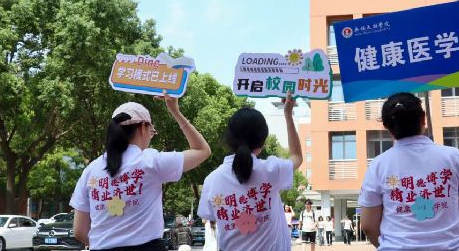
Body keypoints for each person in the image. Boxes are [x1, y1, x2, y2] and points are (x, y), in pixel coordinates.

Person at [71, 94, 211, 251]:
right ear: (143, 127)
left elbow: (79, 231)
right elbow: (202, 150)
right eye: (152, 131)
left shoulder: (90, 170)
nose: (151, 136)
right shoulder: (151, 161)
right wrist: (175, 111)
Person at [359, 92, 459, 250]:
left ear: (387, 128)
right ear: (423, 119)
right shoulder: (452, 156)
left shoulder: (378, 165)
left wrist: (386, 245)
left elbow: (368, 225)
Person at [197, 92, 303, 251]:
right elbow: (297, 157)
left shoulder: (211, 180)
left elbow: (209, 216)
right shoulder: (272, 170)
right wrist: (288, 113)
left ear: (229, 138)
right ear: (263, 141)